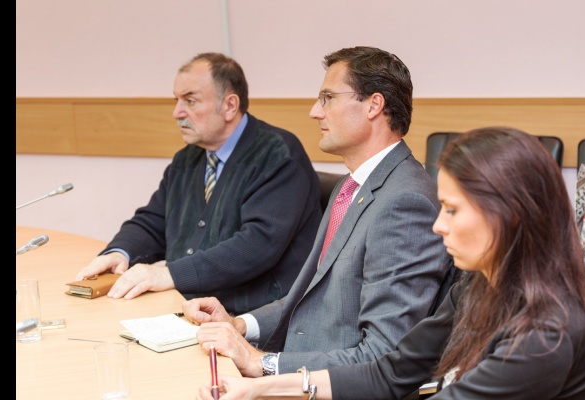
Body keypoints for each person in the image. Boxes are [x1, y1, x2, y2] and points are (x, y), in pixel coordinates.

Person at [198, 126, 585, 400]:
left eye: (452, 210)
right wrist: (259, 387)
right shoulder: (479, 285)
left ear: (510, 215)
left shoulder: (546, 334)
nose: (438, 225)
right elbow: (390, 372)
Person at [183, 46, 451, 380]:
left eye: (327, 98)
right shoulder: (349, 186)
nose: (315, 112)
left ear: (374, 105)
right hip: (298, 371)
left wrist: (262, 363)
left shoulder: (405, 202)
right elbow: (310, 300)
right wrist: (239, 325)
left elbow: (382, 356)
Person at [75, 52, 323, 314]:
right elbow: (154, 222)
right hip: (192, 307)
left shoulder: (277, 154)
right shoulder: (189, 158)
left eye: (190, 101)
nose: (177, 113)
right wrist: (120, 252)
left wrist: (170, 274)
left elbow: (257, 245)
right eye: (177, 100)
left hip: (256, 315)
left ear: (229, 106)